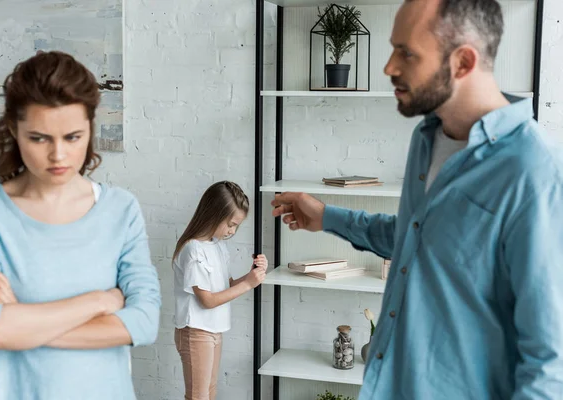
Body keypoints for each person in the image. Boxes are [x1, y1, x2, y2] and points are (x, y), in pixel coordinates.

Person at [272, 0, 563, 399]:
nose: (389, 67)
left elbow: (550, 361)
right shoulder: (426, 140)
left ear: (462, 62)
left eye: (406, 53)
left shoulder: (534, 170)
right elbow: (419, 238)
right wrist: (326, 217)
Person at [0, 51, 161, 400]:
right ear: (14, 129)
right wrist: (100, 300)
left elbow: (144, 323)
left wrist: (21, 321)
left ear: (90, 129)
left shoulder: (120, 210)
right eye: (39, 138)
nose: (58, 155)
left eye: (72, 137)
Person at [172, 181, 267, 400]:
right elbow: (207, 300)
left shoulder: (217, 245)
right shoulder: (193, 250)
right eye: (231, 224)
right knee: (198, 396)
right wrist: (248, 284)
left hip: (213, 329)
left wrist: (251, 275)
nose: (232, 231)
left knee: (209, 392)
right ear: (214, 214)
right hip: (196, 331)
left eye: (236, 226)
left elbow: (226, 287)